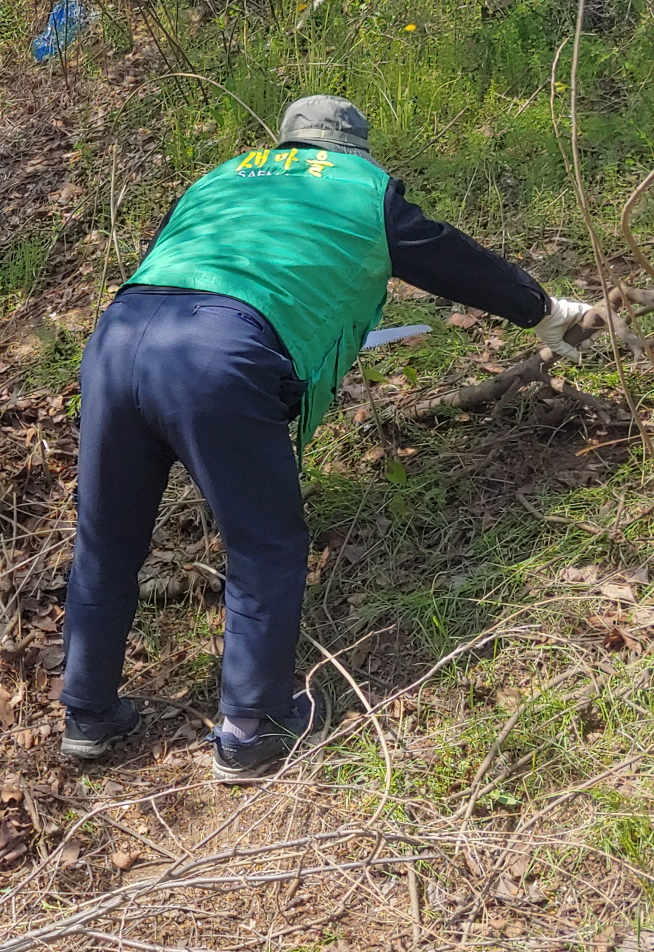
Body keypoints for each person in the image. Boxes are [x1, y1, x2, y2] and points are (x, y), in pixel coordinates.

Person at [58, 96, 600, 780]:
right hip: (217, 355)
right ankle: (250, 729)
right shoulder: (362, 187)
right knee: (265, 542)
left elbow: (177, 260)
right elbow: (448, 258)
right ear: (350, 150)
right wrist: (542, 308)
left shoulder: (219, 176)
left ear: (285, 144)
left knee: (107, 538)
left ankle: (87, 714)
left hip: (118, 340)